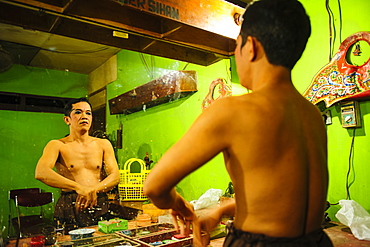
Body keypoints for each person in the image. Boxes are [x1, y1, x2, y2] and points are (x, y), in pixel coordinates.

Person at [144, 0, 333, 246]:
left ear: (251, 46)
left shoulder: (233, 110)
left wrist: (180, 205)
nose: (235, 53)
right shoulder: (311, 115)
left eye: (236, 45)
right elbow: (282, 196)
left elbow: (155, 187)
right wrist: (223, 211)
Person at [35, 97, 120, 227]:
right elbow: (41, 172)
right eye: (78, 112)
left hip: (98, 198)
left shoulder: (103, 144)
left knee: (102, 240)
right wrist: (79, 187)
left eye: (88, 113)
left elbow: (115, 176)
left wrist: (93, 190)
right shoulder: (57, 145)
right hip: (70, 201)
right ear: (67, 119)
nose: (84, 116)